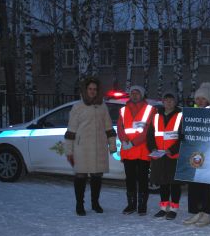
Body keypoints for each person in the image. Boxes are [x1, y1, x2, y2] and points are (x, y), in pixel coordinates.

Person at [64, 76, 117, 216]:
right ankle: (79, 205)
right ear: (85, 90)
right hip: (82, 148)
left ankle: (95, 203)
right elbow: (70, 131)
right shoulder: (77, 107)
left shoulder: (102, 106)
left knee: (97, 177)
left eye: (95, 89)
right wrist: (69, 151)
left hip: (99, 147)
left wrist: (112, 146)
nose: (92, 91)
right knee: (80, 176)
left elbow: (109, 128)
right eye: (90, 89)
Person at [117, 85, 154, 215]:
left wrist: (132, 142)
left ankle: (142, 205)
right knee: (130, 178)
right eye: (132, 93)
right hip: (128, 150)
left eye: (137, 93)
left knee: (143, 179)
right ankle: (131, 204)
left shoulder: (150, 110)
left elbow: (148, 130)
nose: (134, 95)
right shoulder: (123, 110)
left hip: (142, 150)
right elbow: (120, 128)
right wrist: (124, 140)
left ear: (142, 95)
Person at [147, 91, 183, 220]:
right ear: (163, 102)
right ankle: (163, 208)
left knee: (174, 184)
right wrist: (153, 148)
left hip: (173, 156)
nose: (169, 102)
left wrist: (172, 150)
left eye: (171, 100)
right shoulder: (156, 116)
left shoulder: (181, 116)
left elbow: (183, 137)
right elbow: (150, 135)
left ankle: (173, 209)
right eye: (166, 100)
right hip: (159, 155)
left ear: (175, 102)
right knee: (163, 183)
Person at [183, 82, 210, 227]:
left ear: (208, 100)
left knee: (207, 184)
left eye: (203, 99)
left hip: (209, 155)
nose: (200, 101)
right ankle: (196, 212)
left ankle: (207, 213)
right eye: (198, 99)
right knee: (194, 184)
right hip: (194, 153)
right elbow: (184, 132)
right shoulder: (190, 114)